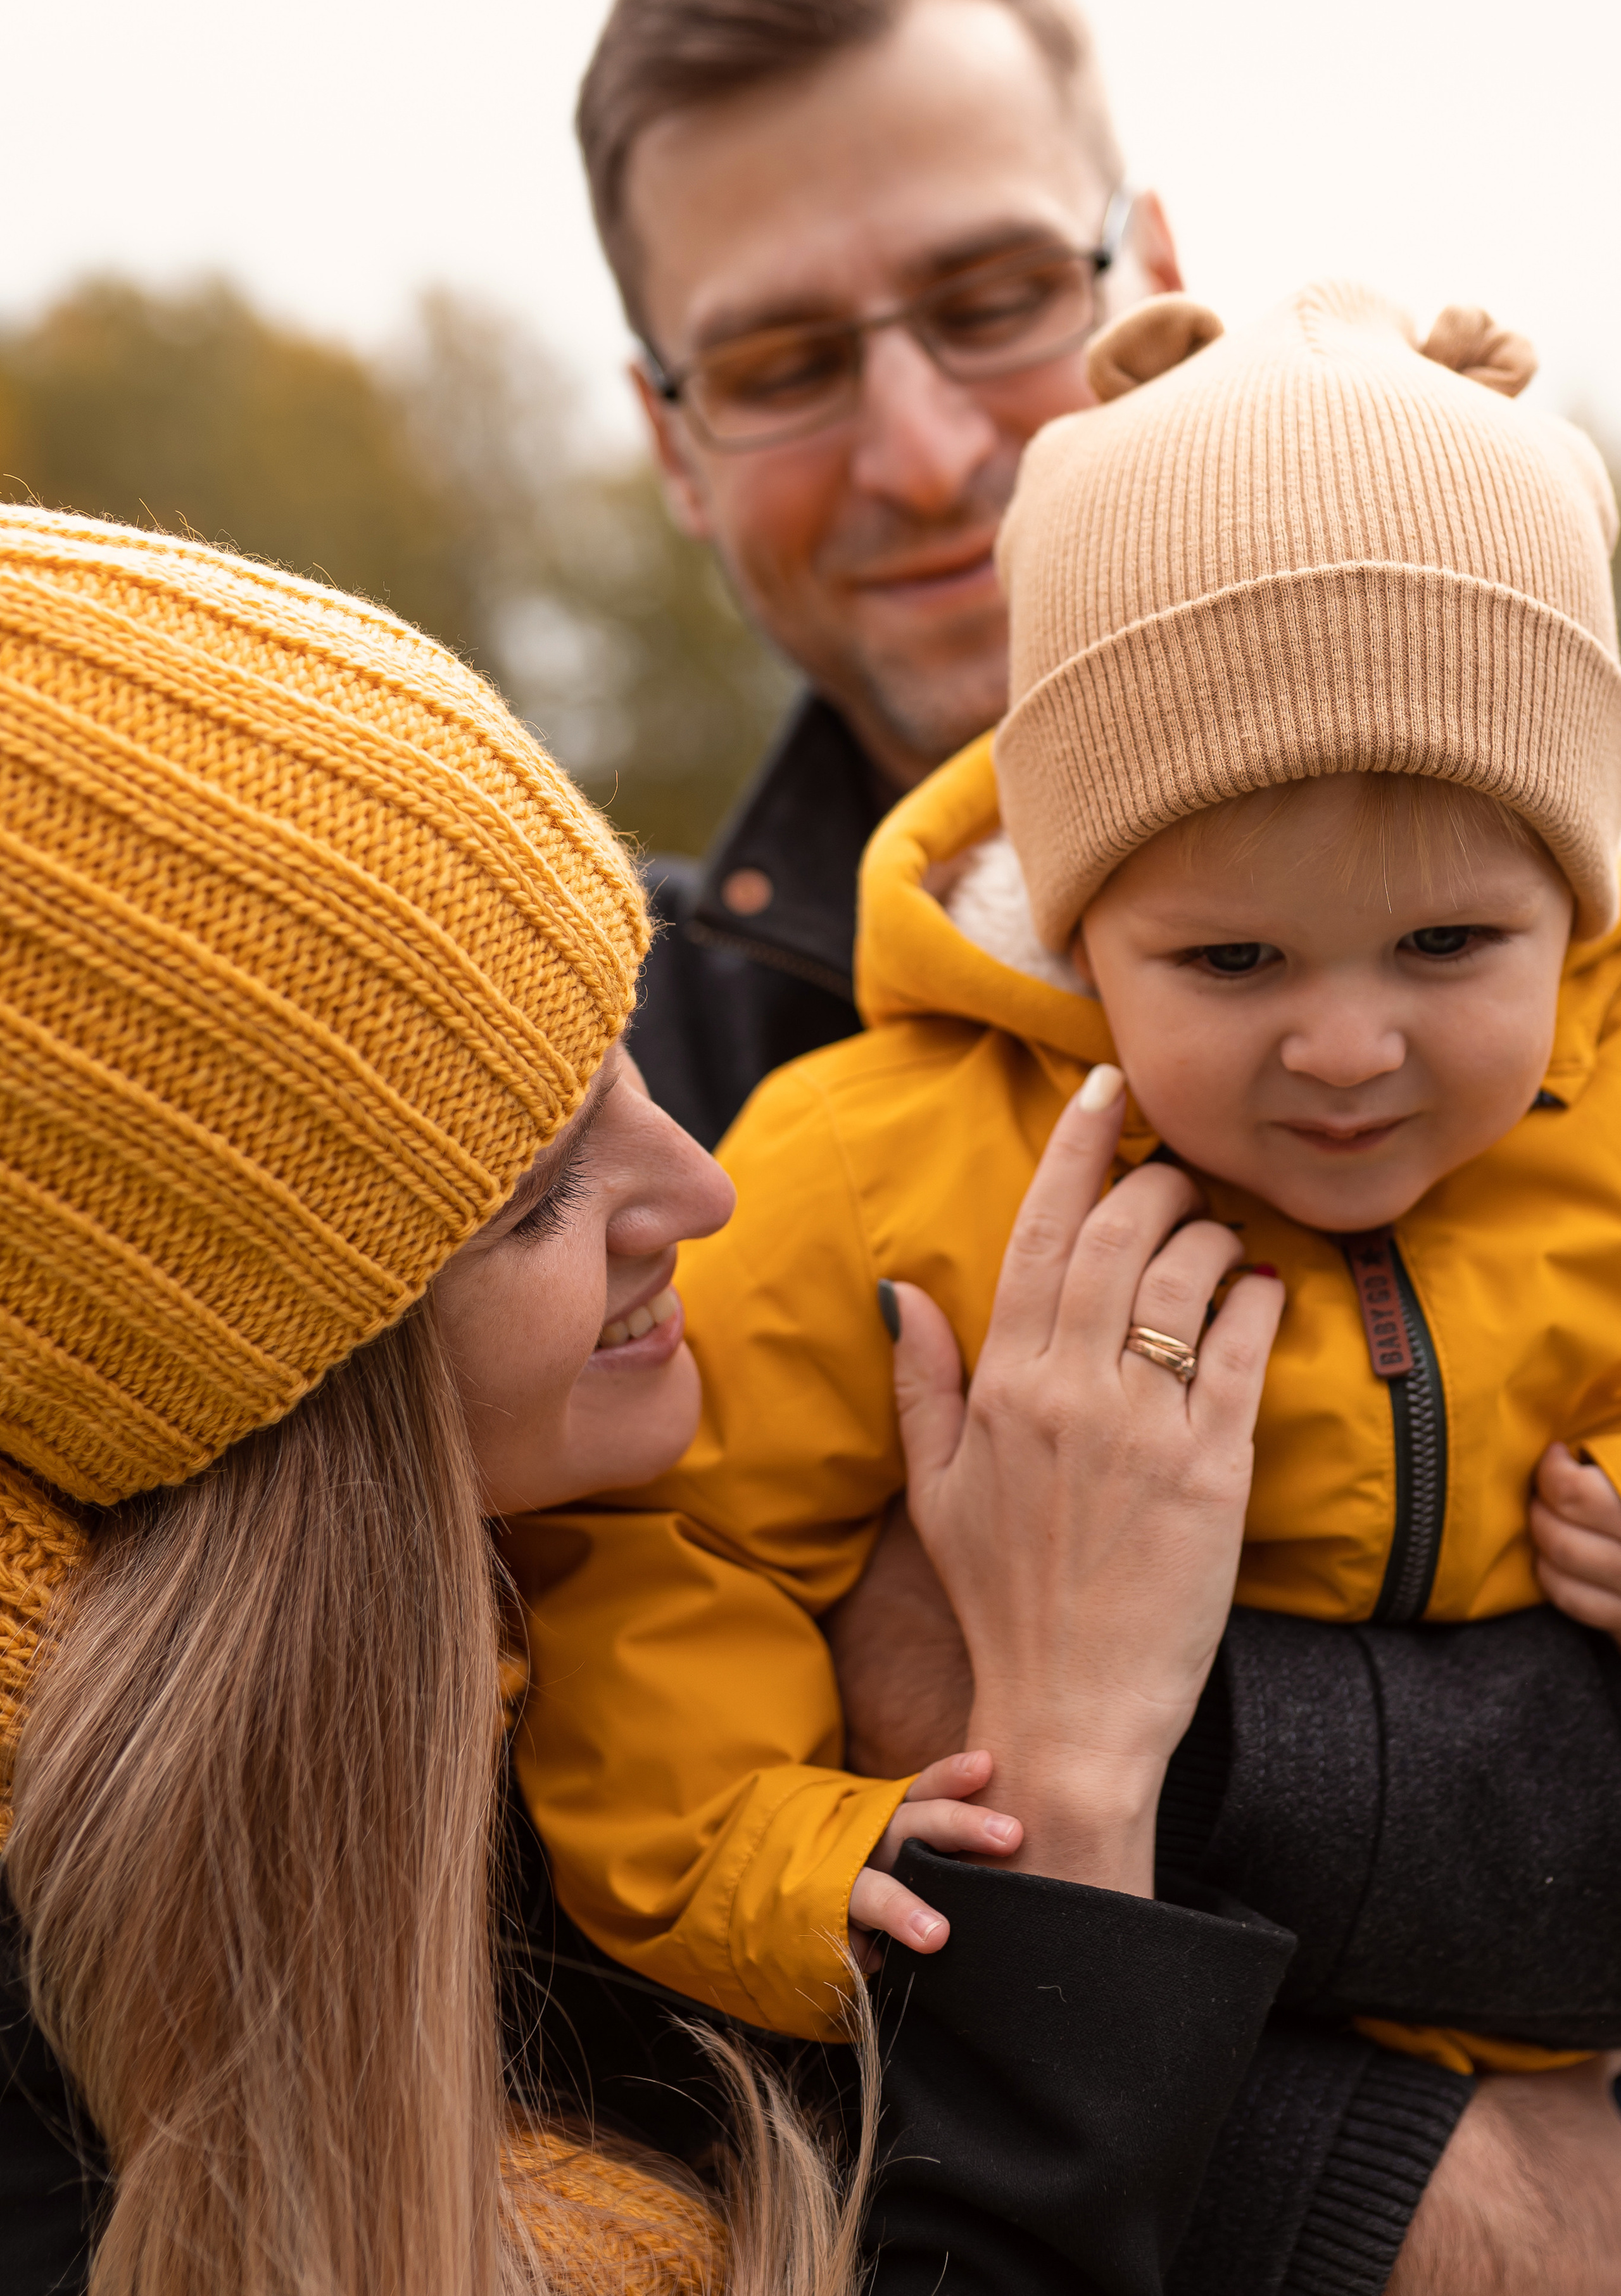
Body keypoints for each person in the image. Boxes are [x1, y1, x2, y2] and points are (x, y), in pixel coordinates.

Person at [0, 503, 1298, 2296]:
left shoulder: (490, 1657)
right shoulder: (70, 2061)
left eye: (627, 1056)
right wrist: (1073, 1781)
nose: (701, 1188)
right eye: (538, 1195)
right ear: (254, 1363)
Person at [508, 288, 1621, 2287]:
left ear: (1580, 899)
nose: (1351, 1048)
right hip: (1166, 2129)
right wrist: (797, 1852)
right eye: (1235, 966)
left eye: (1452, 942)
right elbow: (679, 1562)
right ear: (1079, 916)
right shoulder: (878, 1171)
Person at [575, 0, 1183, 1147]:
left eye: (998, 299)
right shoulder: (580, 1126)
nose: (918, 459)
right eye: (783, 369)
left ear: (1161, 283)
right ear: (672, 449)